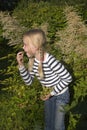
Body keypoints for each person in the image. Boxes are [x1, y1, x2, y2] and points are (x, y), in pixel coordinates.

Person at [16, 29, 72, 130]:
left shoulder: (50, 61)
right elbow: (29, 81)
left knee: (58, 126)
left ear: (35, 46)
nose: (23, 47)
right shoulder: (33, 61)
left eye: (25, 44)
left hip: (61, 95)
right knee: (48, 125)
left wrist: (52, 93)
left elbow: (67, 78)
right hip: (49, 95)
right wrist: (21, 65)